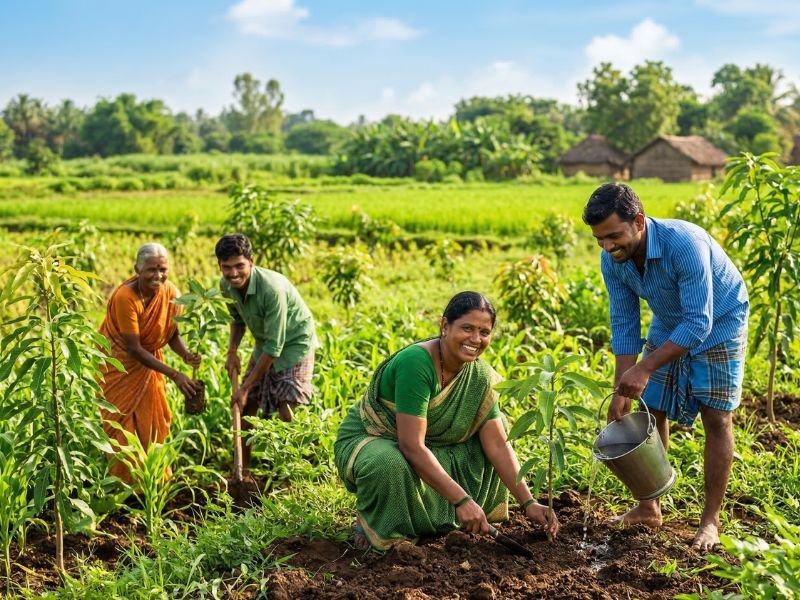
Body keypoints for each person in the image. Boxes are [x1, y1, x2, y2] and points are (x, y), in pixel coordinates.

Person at [582, 183, 749, 551]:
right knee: (650, 408)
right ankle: (649, 506)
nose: (608, 247)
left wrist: (644, 369)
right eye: (599, 240)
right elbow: (624, 323)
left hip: (720, 321)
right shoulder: (613, 259)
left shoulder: (683, 244)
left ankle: (710, 521)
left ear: (639, 221)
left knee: (716, 417)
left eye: (613, 236)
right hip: (671, 320)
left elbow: (699, 322)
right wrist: (621, 386)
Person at [334, 291, 560, 551]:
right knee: (388, 463)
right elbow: (412, 446)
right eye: (467, 328)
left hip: (429, 446)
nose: (476, 339)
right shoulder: (416, 364)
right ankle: (381, 529)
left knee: (495, 431)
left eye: (484, 332)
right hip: (376, 438)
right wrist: (461, 499)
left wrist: (529, 503)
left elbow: (497, 445)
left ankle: (438, 520)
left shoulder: (479, 376)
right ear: (444, 326)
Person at [99, 243, 202, 482]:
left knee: (153, 423)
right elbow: (134, 348)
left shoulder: (171, 293)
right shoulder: (126, 297)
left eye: (163, 269)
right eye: (151, 270)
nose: (158, 276)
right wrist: (175, 374)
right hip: (120, 364)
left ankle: (154, 480)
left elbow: (171, 334)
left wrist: (185, 355)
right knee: (122, 426)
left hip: (149, 365)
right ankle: (126, 488)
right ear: (137, 269)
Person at [216, 233, 317, 472]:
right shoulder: (226, 286)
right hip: (266, 342)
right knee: (245, 407)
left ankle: (290, 473)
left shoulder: (272, 288)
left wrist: (244, 387)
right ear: (219, 266)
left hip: (295, 343)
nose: (233, 274)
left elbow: (275, 348)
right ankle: (245, 471)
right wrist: (232, 350)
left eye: (239, 266)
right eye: (226, 268)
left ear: (251, 261)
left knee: (288, 411)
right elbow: (237, 319)